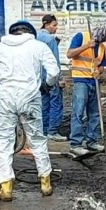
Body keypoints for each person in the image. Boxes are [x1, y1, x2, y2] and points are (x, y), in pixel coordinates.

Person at [0, 20, 60, 201]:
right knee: (36, 139)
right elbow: (54, 72)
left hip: (5, 99)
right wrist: (47, 86)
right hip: (30, 98)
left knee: (4, 141)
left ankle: (6, 188)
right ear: (30, 33)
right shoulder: (38, 46)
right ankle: (45, 183)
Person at [67, 22, 106, 158]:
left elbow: (102, 65)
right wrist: (87, 46)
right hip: (80, 80)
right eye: (105, 37)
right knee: (78, 112)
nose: (105, 40)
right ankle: (75, 144)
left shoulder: (102, 47)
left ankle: (91, 140)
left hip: (94, 81)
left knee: (94, 113)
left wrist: (99, 71)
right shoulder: (81, 36)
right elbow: (70, 54)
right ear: (100, 32)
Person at [37, 14, 66, 142]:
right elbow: (55, 61)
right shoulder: (50, 40)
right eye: (54, 25)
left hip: (38, 77)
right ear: (47, 25)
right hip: (51, 76)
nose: (56, 28)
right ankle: (52, 131)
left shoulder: (35, 37)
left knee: (44, 103)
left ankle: (43, 130)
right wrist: (60, 79)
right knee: (56, 103)